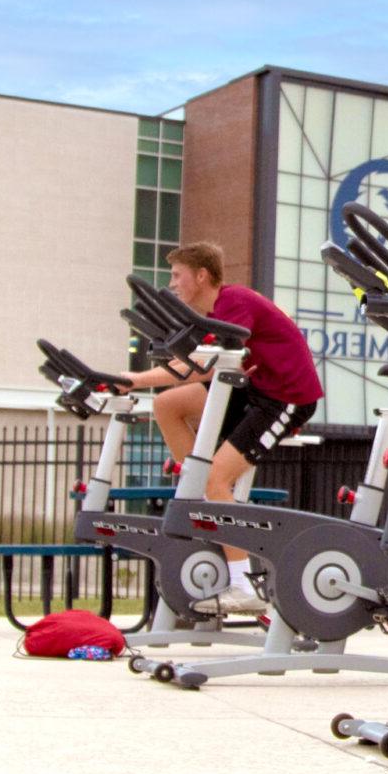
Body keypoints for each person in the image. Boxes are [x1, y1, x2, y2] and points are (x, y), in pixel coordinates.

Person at [124, 243, 323, 613]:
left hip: (285, 398)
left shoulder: (234, 302)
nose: (173, 284)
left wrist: (135, 379)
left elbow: (206, 368)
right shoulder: (213, 315)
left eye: (177, 275)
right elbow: (202, 364)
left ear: (201, 276)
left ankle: (244, 586)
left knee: (219, 478)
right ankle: (203, 496)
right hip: (253, 390)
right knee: (167, 403)